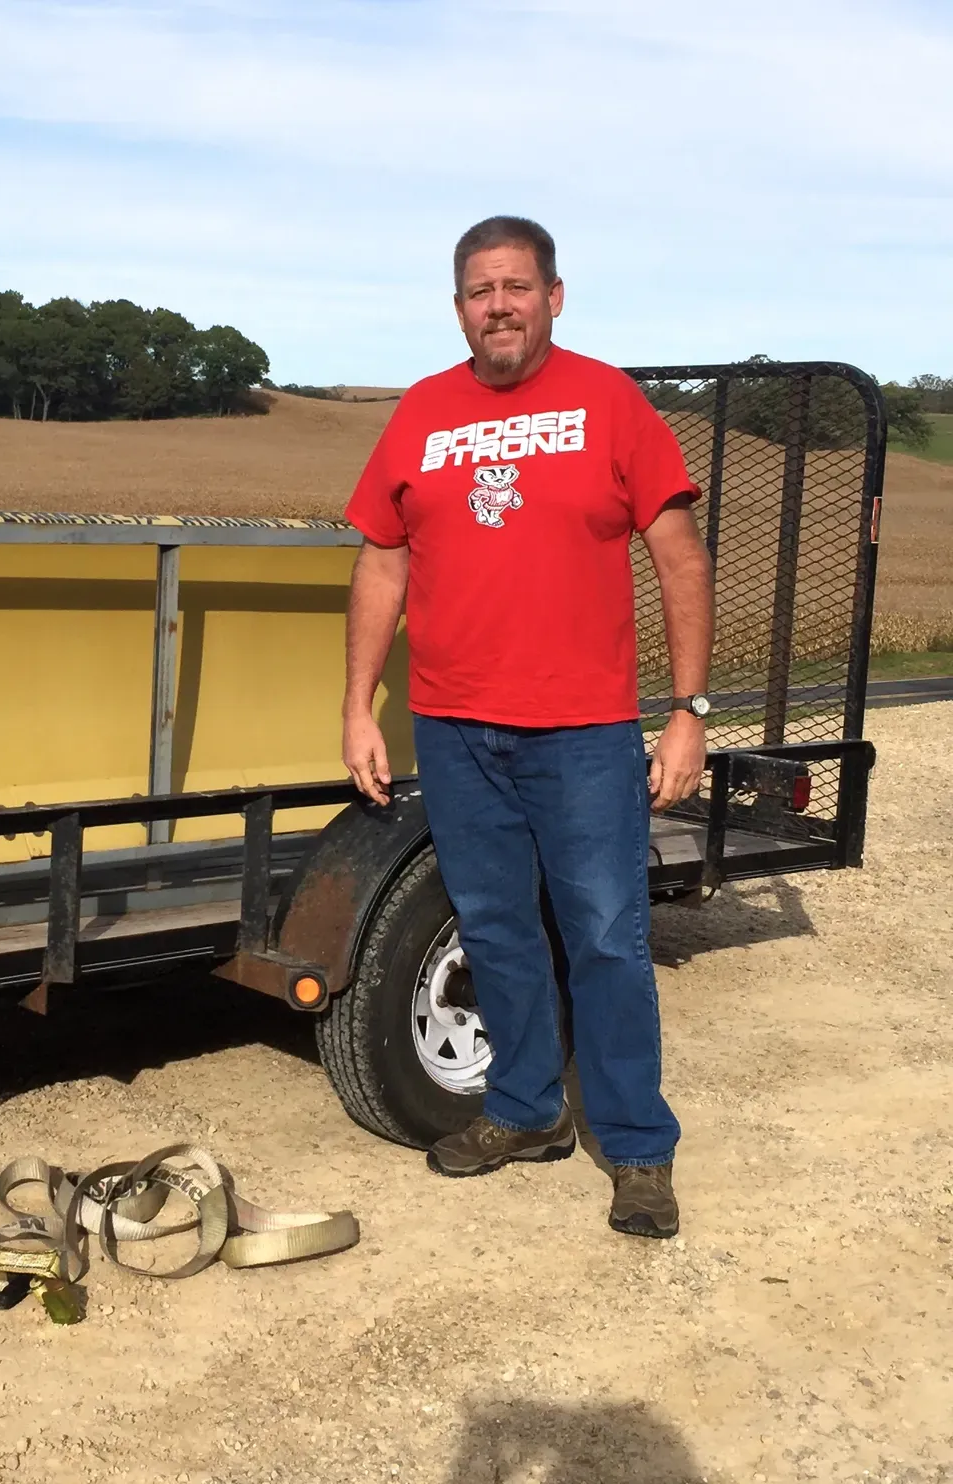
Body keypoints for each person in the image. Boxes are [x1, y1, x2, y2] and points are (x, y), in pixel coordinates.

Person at [340, 214, 714, 1240]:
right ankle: (525, 1109)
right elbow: (382, 559)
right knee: (497, 928)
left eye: (515, 285)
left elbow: (679, 555)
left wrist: (688, 712)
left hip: (581, 732)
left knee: (604, 935)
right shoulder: (422, 411)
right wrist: (358, 702)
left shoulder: (609, 404)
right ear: (457, 305)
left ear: (555, 294)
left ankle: (637, 1145)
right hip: (456, 728)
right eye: (477, 289)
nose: (496, 305)